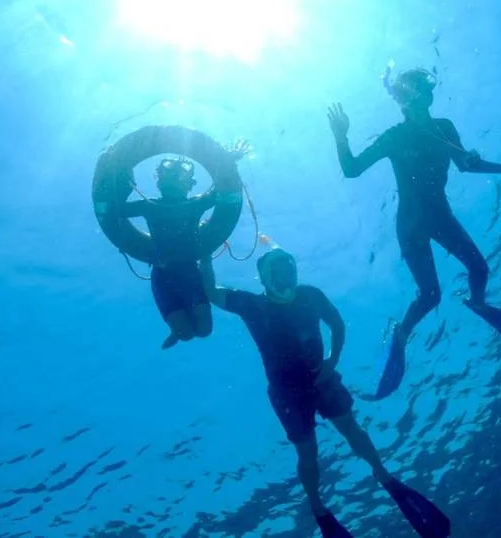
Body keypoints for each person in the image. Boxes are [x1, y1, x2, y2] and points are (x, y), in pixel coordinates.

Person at [201, 247, 451, 538]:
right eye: (277, 272)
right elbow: (212, 292)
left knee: (351, 428)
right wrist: (206, 256)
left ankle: (381, 473)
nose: (285, 277)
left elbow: (336, 322)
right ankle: (318, 506)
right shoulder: (252, 304)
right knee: (308, 452)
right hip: (288, 394)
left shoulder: (310, 295)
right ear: (265, 279)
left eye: (289, 269)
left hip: (323, 379)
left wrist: (332, 360)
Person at [326, 68, 501, 398]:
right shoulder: (394, 136)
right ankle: (401, 333)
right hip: (411, 222)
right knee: (431, 295)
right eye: (406, 96)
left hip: (440, 216)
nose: (414, 101)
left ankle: (478, 305)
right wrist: (341, 135)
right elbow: (352, 170)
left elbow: (466, 164)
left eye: (420, 93)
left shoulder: (445, 128)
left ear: (426, 96)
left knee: (480, 269)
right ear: (401, 102)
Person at [124, 141, 248, 349]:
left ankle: (179, 326)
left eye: (178, 177)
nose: (173, 181)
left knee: (204, 330)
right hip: (163, 275)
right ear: (159, 180)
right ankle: (177, 330)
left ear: (188, 184)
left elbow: (222, 190)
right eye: (169, 175)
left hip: (189, 270)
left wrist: (229, 162)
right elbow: (117, 213)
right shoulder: (150, 206)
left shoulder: (193, 204)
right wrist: (124, 179)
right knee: (187, 334)